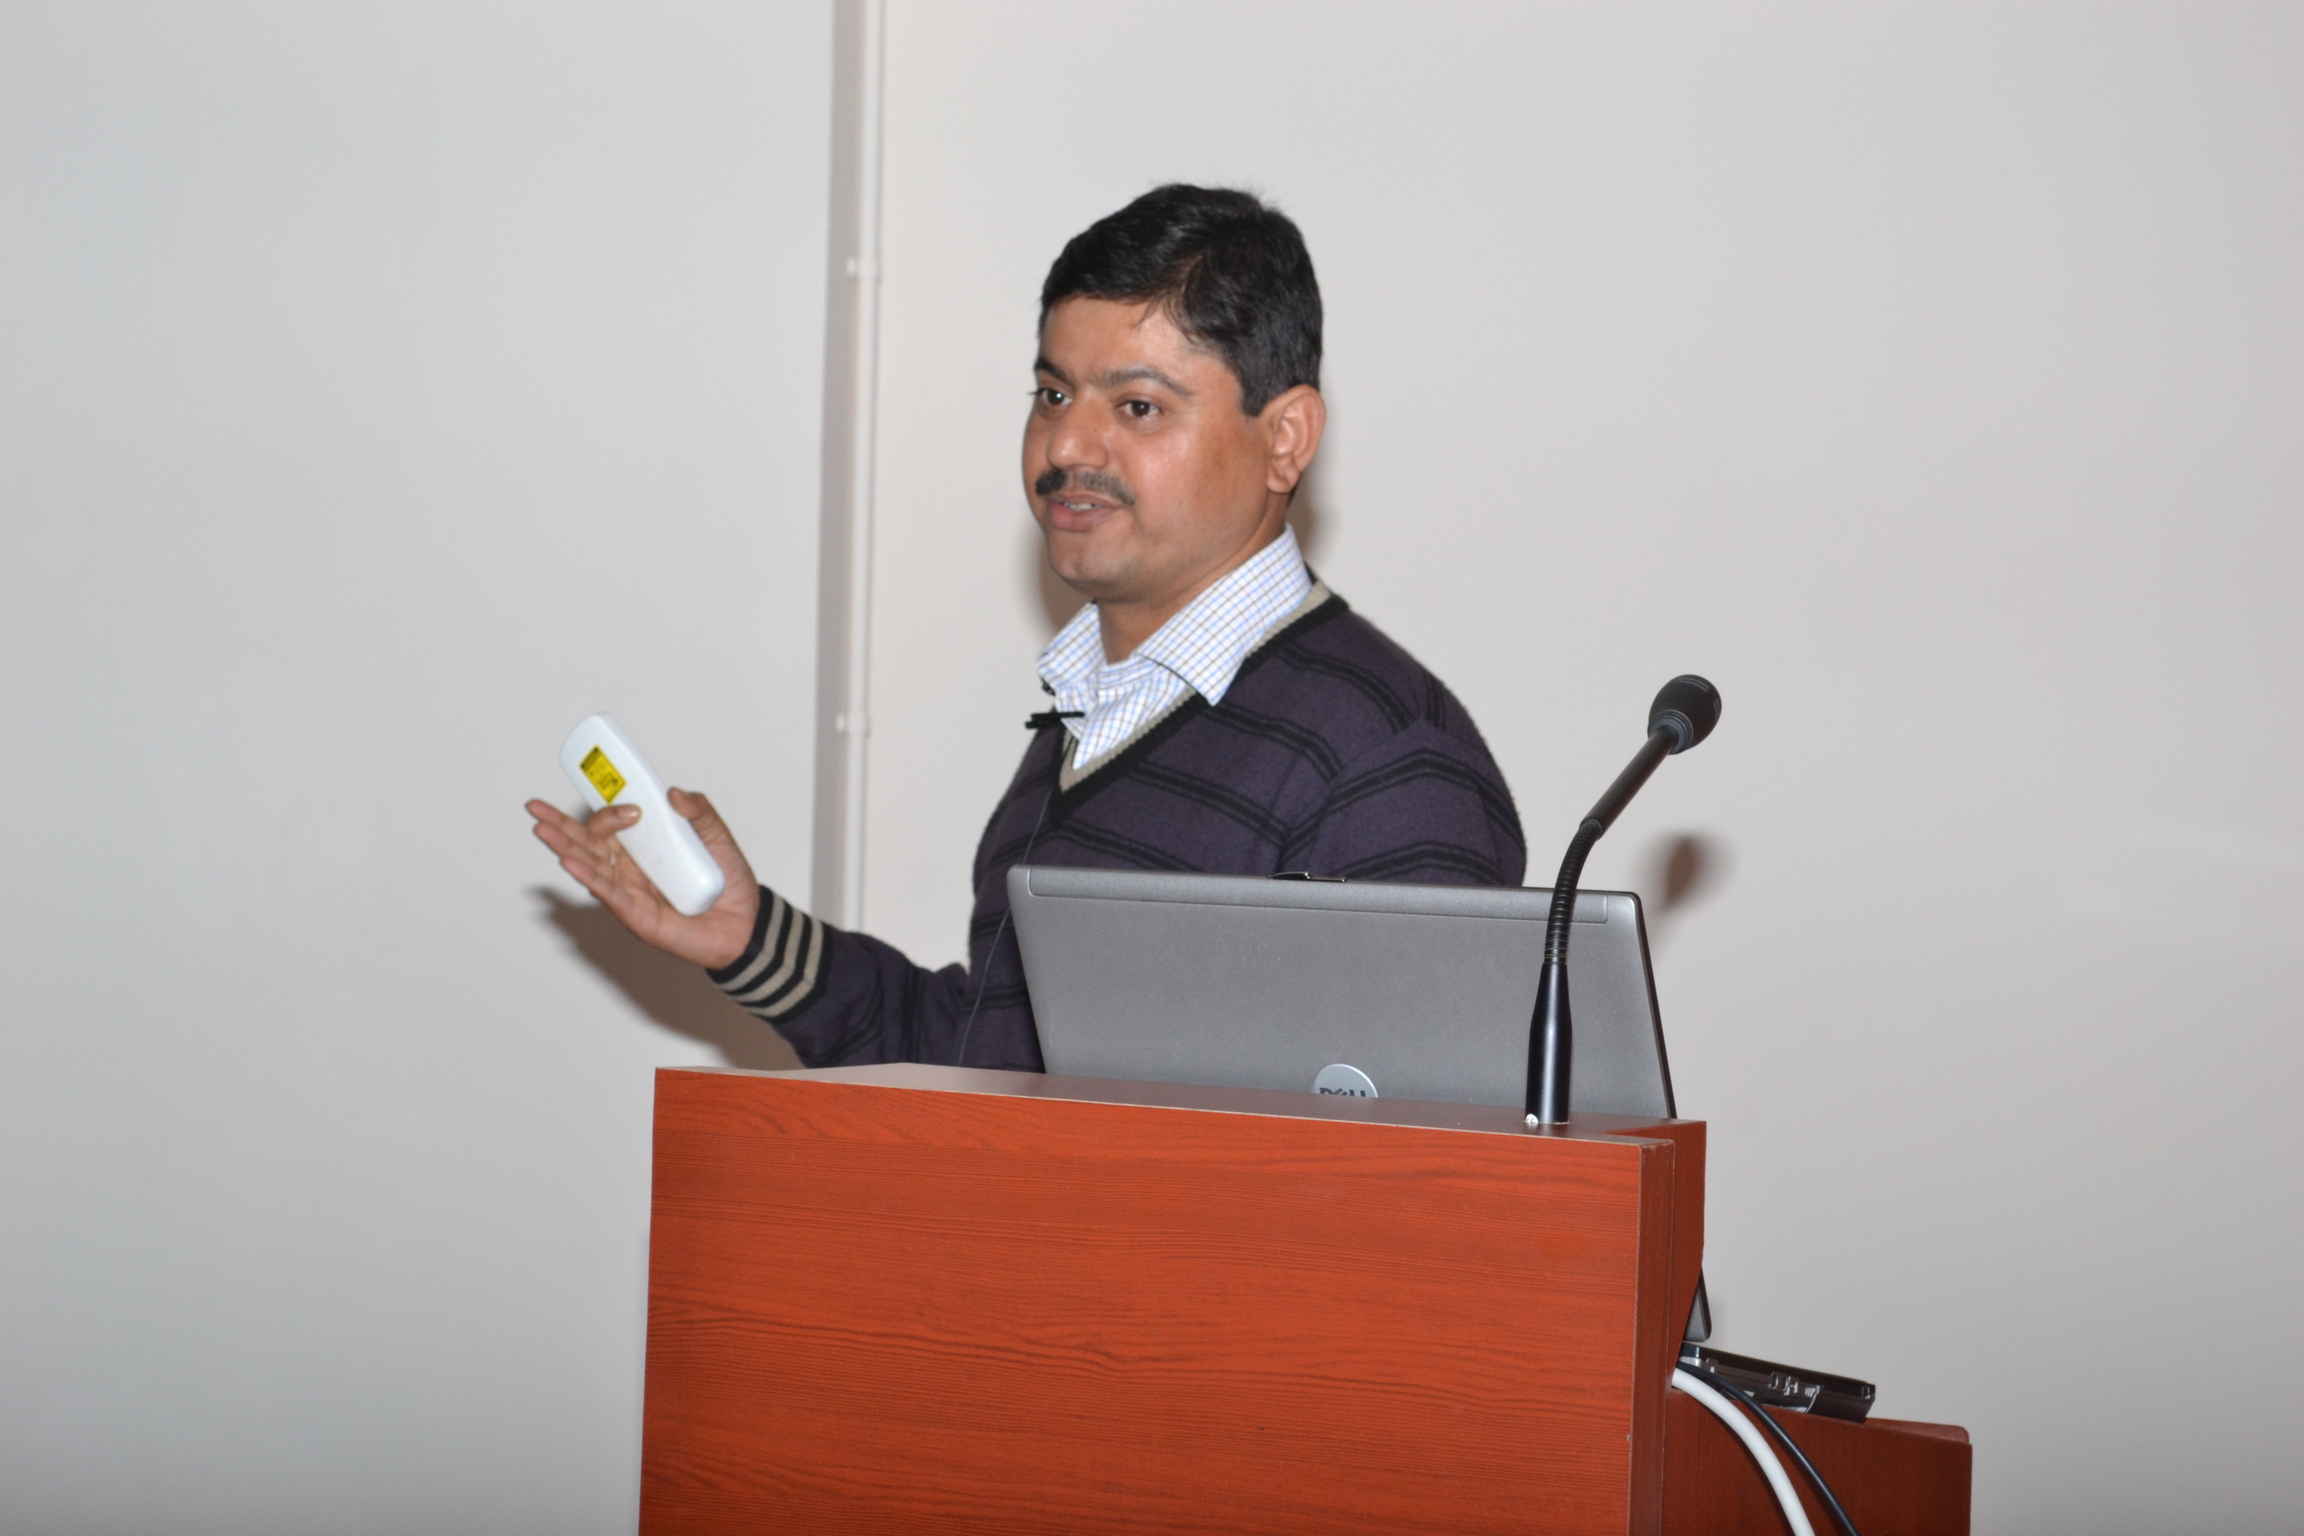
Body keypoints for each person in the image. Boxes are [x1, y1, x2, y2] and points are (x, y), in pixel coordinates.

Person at [528, 185, 1525, 1071]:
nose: (1068, 445)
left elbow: (1402, 1178)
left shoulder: (1389, 764)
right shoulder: (1101, 708)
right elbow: (991, 1069)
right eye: (1053, 395)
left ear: (1285, 438)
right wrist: (752, 941)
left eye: (1138, 406)